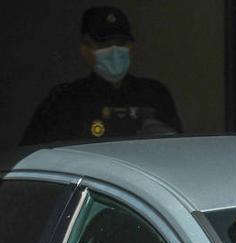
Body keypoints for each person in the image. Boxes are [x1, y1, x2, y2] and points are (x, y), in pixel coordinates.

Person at [20, 6, 182, 146]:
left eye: (120, 43)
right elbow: (33, 157)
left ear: (131, 47)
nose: (114, 51)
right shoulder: (63, 101)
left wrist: (165, 139)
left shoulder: (154, 94)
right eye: (104, 44)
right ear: (85, 50)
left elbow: (180, 151)